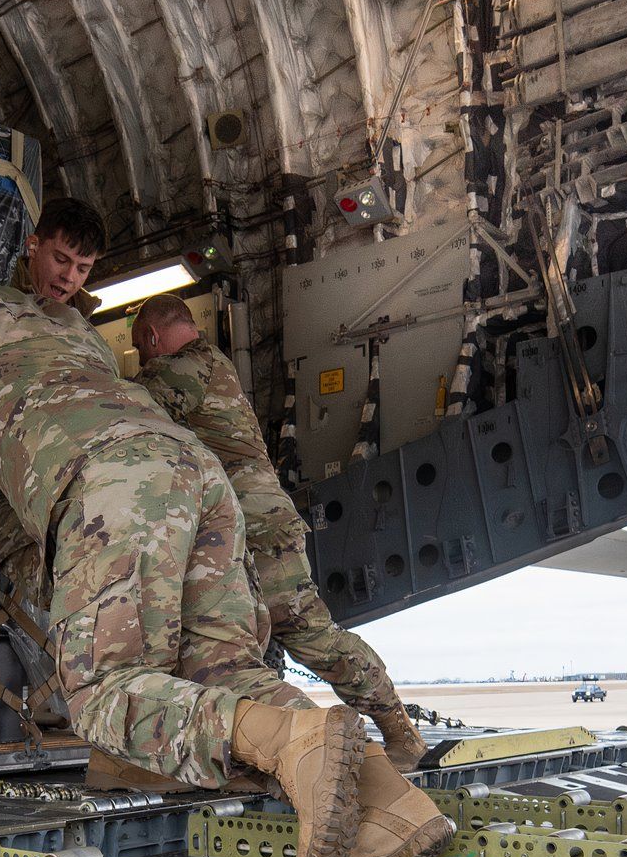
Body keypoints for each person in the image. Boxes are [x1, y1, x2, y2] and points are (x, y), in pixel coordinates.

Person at [0, 261, 433, 857]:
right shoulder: (70, 331)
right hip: (197, 472)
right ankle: (394, 811)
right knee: (224, 669)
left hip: (115, 481)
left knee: (103, 692)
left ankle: (292, 746)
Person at [128, 292, 425, 771]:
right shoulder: (212, 365)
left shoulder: (184, 370)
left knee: (305, 632)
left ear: (153, 338)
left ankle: (392, 730)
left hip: (254, 528)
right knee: (244, 643)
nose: (144, 359)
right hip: (244, 526)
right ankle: (274, 746)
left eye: (141, 349)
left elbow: (122, 408)